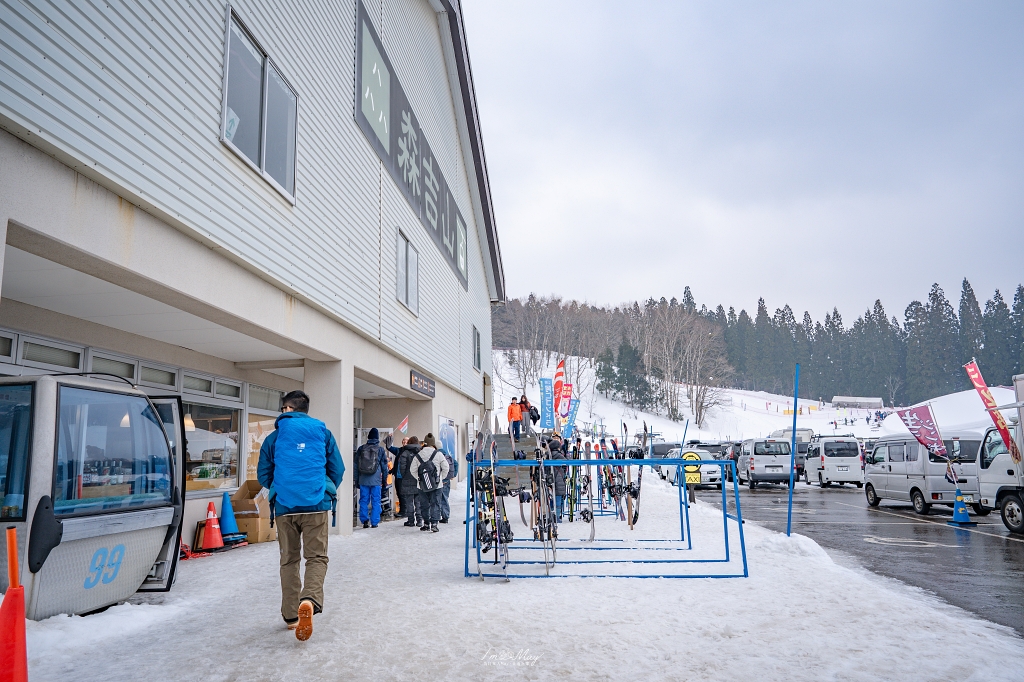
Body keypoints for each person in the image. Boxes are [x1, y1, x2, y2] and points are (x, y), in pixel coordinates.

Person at [258, 390, 344, 642]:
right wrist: (324, 487)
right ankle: (309, 599)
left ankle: (290, 615)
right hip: (317, 505)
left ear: (286, 409)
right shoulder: (323, 433)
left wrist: (280, 486)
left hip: (284, 508)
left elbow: (263, 474)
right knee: (316, 557)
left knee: (289, 560)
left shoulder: (274, 438)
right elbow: (338, 468)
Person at [413, 433, 449, 532]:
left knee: (424, 504)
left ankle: (426, 523)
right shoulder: (438, 454)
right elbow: (446, 468)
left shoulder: (418, 455)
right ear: (433, 443)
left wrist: (420, 479)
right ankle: (434, 524)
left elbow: (412, 470)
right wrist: (440, 478)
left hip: (422, 485)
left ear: (424, 443)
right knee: (435, 503)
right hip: (437, 485)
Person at [355, 428, 389, 529]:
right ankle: (374, 522)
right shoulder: (380, 450)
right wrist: (384, 481)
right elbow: (384, 467)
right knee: (376, 500)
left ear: (368, 437)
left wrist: (356, 480)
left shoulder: (361, 449)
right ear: (377, 438)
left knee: (364, 500)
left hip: (363, 479)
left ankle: (365, 520)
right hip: (376, 480)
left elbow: (356, 465)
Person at [394, 436, 422, 527]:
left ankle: (410, 521)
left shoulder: (405, 452)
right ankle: (419, 520)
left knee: (409, 501)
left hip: (407, 479)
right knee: (418, 501)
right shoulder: (420, 452)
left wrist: (404, 476)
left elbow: (402, 467)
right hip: (418, 480)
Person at [547, 434, 568, 519]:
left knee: (551, 500)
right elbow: (566, 463)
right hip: (559, 479)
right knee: (558, 501)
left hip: (550, 479)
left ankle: (552, 517)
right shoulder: (560, 455)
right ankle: (558, 517)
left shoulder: (547, 456)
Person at [438, 437, 458, 523]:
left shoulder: (437, 455)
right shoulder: (447, 455)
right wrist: (453, 474)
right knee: (445, 498)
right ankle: (445, 516)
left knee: (437, 499)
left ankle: (439, 516)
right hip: (447, 480)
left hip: (439, 480)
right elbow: (456, 463)